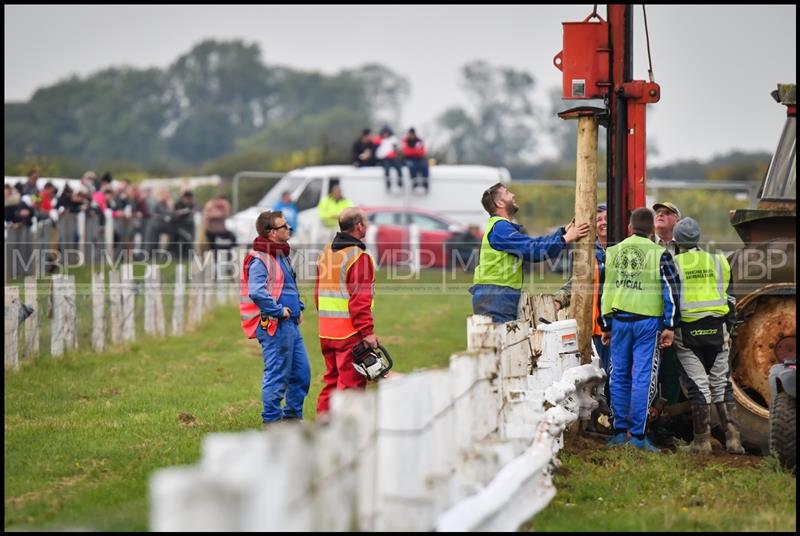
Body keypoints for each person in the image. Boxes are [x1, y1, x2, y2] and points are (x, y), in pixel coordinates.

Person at [598, 207, 681, 452]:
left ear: (630, 228)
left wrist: (606, 324)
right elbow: (672, 291)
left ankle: (619, 431)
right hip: (648, 324)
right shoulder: (660, 254)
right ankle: (638, 435)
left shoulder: (612, 252)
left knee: (619, 375)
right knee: (643, 377)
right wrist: (670, 325)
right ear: (651, 230)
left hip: (620, 321)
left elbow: (605, 291)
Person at [671, 217, 744, 455]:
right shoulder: (718, 260)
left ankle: (701, 442)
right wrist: (730, 327)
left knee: (698, 386)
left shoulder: (673, 263)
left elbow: (669, 300)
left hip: (688, 332)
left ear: (677, 241)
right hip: (717, 329)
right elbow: (730, 297)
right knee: (721, 383)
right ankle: (734, 440)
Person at [470, 182, 590, 323]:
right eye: (508, 193)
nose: (513, 195)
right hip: (496, 297)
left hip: (497, 296)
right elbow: (534, 251)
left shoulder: (500, 227)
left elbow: (533, 244)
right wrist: (565, 239)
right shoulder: (500, 228)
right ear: (499, 203)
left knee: (505, 341)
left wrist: (562, 232)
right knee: (502, 342)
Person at [240, 210, 310, 425]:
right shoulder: (260, 259)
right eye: (284, 226)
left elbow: (286, 286)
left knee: (301, 374)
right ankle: (272, 421)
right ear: (271, 233)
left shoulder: (281, 254)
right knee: (277, 374)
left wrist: (298, 307)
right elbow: (257, 291)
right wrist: (279, 311)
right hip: (274, 325)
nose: (289, 228)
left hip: (290, 324)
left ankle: (291, 419)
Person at [315, 207, 378, 415]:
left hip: (326, 331)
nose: (367, 225)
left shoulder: (326, 252)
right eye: (365, 222)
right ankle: (346, 436)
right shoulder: (358, 257)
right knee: (350, 388)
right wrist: (367, 332)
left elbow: (318, 294)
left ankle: (323, 428)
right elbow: (359, 301)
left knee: (331, 383)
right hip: (349, 334)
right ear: (359, 226)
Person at [554, 203, 609, 370]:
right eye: (599, 220)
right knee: (609, 370)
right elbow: (577, 282)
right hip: (599, 326)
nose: (603, 222)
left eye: (607, 218)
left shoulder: (623, 248)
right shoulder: (588, 251)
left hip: (619, 323)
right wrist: (559, 299)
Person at [401, 127, 429, 192]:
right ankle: (414, 184)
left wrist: (412, 151)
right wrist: (416, 150)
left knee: (424, 166)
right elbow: (406, 152)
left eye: (412, 134)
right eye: (410, 134)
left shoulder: (419, 141)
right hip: (409, 159)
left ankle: (425, 184)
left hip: (419, 158)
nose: (411, 135)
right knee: (412, 166)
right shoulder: (405, 141)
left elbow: (422, 152)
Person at [375, 125, 403, 191]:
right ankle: (388, 184)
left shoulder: (393, 140)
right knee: (387, 169)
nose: (386, 134)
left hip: (393, 158)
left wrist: (395, 150)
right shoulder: (381, 141)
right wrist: (386, 155)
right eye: (384, 133)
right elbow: (379, 154)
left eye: (387, 133)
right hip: (385, 158)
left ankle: (400, 183)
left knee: (398, 167)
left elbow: (398, 149)